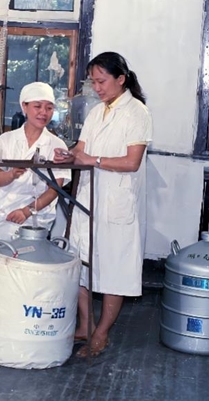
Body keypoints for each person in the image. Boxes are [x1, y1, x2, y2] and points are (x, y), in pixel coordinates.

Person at [53, 52, 152, 358]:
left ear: (121, 79)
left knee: (114, 270)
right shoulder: (97, 112)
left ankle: (101, 333)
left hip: (117, 202)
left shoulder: (137, 112)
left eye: (101, 81)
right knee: (81, 264)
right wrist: (68, 155)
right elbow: (81, 149)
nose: (96, 88)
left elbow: (132, 162)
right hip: (89, 198)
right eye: (93, 82)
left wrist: (92, 160)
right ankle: (86, 325)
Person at [0, 82, 70, 251]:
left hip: (36, 215)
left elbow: (54, 189)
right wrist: (11, 174)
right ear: (24, 107)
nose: (43, 112)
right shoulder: (4, 140)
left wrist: (26, 211)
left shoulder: (57, 145)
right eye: (37, 106)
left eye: (49, 108)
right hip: (2, 210)